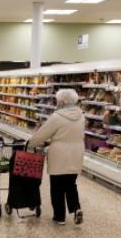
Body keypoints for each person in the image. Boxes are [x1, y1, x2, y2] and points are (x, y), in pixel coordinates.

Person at [27, 88, 85, 225]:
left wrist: (30, 143)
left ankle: (59, 217)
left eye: (58, 100)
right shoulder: (81, 116)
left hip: (59, 153)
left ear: (63, 101)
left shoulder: (57, 116)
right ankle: (76, 209)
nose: (56, 102)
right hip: (76, 152)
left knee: (57, 186)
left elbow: (43, 134)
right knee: (71, 184)